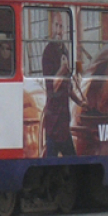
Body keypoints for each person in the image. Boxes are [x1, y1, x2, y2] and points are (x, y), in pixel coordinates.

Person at [41, 12, 84, 157]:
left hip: (64, 123)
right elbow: (51, 87)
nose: (59, 30)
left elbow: (68, 86)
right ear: (51, 27)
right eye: (56, 26)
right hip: (53, 122)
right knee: (50, 162)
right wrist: (61, 69)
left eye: (61, 27)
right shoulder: (48, 52)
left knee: (72, 159)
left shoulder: (64, 50)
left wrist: (80, 102)